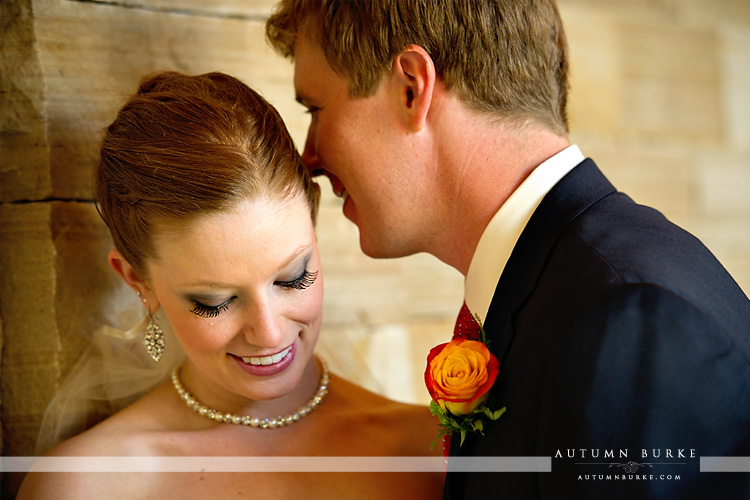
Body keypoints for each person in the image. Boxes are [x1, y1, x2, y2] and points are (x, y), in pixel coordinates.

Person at [265, 1, 750, 498]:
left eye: (315, 110)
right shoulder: (578, 283)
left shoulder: (630, 320)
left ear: (411, 89)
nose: (309, 157)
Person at [17, 71, 443, 500]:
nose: (270, 332)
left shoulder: (429, 450)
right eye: (214, 301)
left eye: (293, 277)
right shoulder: (86, 485)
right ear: (137, 280)